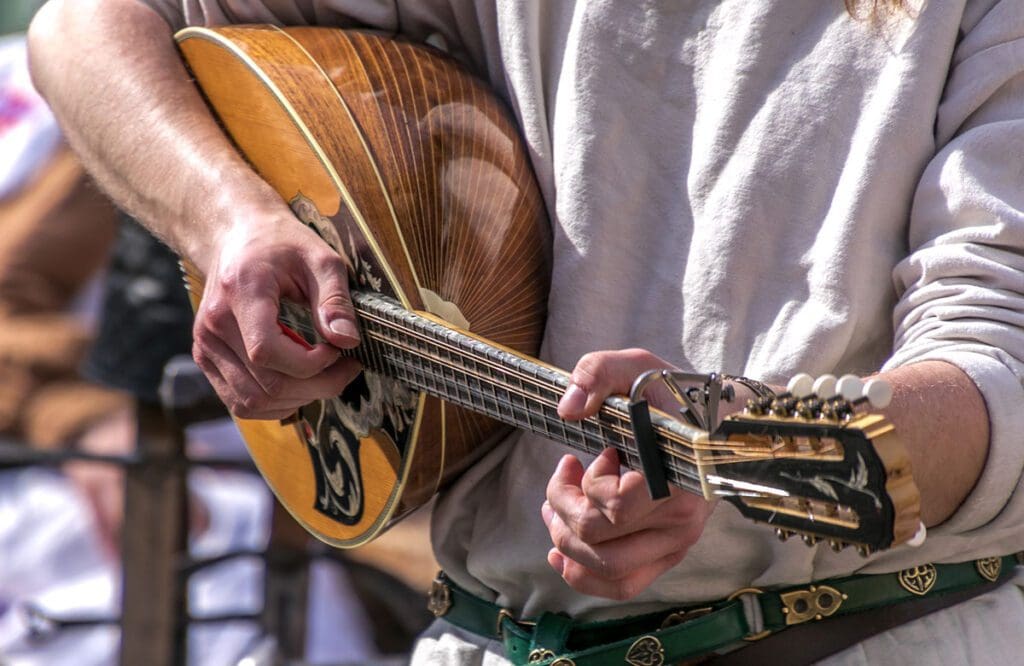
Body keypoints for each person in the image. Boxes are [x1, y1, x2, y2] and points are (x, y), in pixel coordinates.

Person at [26, 0, 1024, 663]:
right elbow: (90, 30)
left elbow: (997, 369)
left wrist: (730, 453)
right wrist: (229, 220)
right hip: (491, 633)